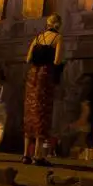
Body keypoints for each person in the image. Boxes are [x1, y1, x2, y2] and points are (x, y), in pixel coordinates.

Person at [23, 13, 63, 166]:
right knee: (42, 113)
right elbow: (57, 60)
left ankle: (26, 154)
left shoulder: (37, 38)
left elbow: (27, 59)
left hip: (32, 75)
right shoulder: (58, 38)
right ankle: (38, 156)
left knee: (29, 113)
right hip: (45, 76)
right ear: (58, 24)